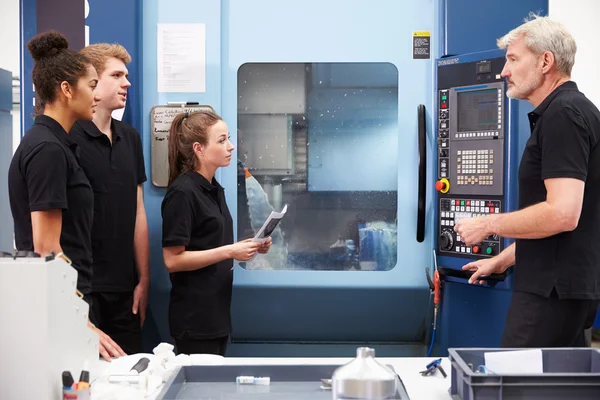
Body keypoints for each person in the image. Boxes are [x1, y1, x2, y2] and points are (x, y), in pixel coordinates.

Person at [454, 14, 600, 347]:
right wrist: (500, 260)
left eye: (513, 59)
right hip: (562, 290)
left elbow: (562, 214)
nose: (504, 71)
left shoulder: (564, 115)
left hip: (551, 293)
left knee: (516, 384)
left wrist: (488, 224)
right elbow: (562, 230)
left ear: (546, 61)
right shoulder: (570, 112)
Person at [8, 30, 126, 361]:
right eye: (91, 86)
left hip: (65, 295)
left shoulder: (56, 144)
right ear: (66, 89)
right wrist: (81, 319)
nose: (96, 96)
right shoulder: (47, 149)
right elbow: (47, 248)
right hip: (59, 300)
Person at [161, 110, 272, 356]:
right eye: (222, 140)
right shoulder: (183, 193)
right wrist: (230, 251)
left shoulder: (213, 189)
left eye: (228, 138)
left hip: (216, 314)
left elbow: (212, 244)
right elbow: (172, 260)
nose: (231, 146)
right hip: (194, 319)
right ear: (199, 149)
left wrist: (250, 246)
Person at [69, 44, 149, 355]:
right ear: (91, 82)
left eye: (126, 75)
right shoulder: (68, 139)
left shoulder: (130, 138)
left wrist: (143, 280)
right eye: (116, 75)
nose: (126, 83)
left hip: (125, 290)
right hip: (81, 289)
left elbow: (138, 212)